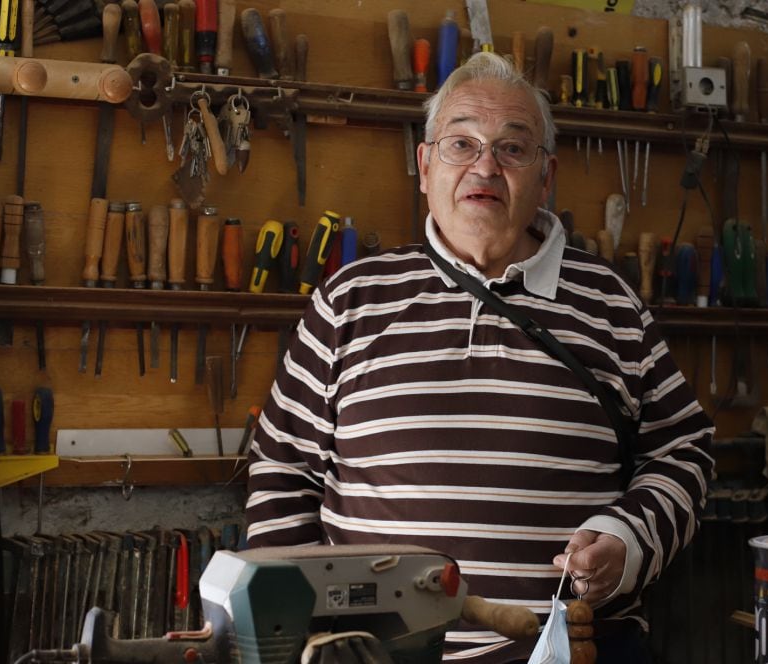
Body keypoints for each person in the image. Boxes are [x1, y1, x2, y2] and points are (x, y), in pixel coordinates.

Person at [244, 51, 715, 663]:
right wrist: (288, 636)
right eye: (460, 144)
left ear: (546, 177)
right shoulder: (349, 301)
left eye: (513, 148)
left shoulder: (612, 306)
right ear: (424, 165)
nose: (485, 166)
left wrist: (629, 542)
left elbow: (683, 452)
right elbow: (282, 474)